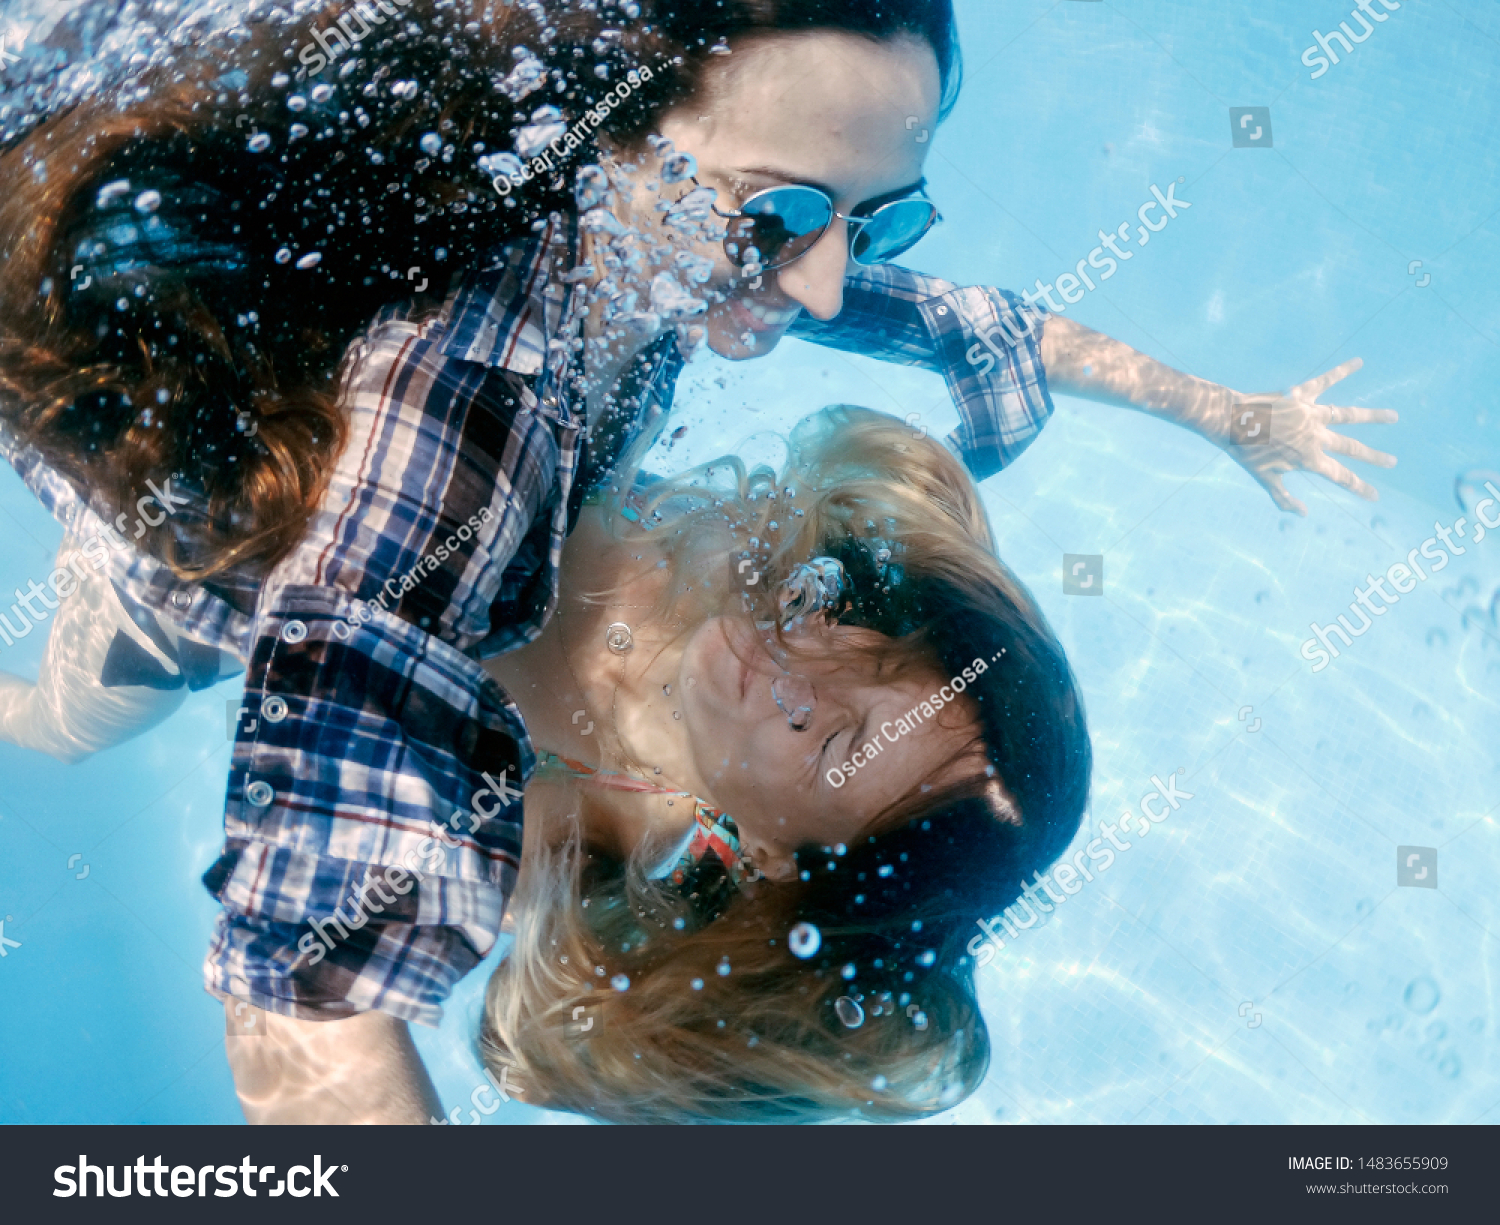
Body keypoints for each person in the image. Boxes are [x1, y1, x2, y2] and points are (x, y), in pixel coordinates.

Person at [0, 0, 1396, 1119]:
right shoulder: (473, 421)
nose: (831, 285)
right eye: (783, 214)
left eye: (878, 214)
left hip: (187, 336)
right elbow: (303, 986)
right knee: (72, 715)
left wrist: (1230, 414)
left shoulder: (649, 240)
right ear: (620, 109)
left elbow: (962, 323)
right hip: (177, 556)